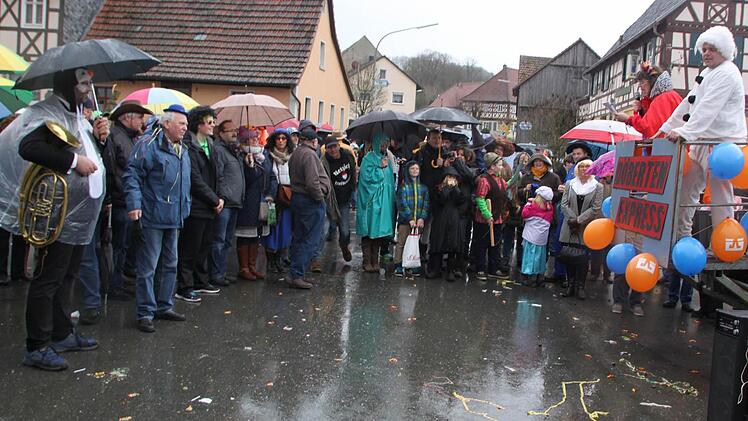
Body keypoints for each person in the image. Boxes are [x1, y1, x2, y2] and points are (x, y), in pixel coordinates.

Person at [660, 25, 747, 243]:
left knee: (720, 194)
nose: (706, 53)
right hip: (701, 140)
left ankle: (725, 239)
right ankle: (682, 235)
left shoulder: (727, 73)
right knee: (687, 188)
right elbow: (688, 104)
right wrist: (666, 128)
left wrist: (683, 131)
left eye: (712, 49)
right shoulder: (707, 73)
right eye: (704, 48)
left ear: (724, 51)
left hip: (723, 145)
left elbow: (708, 108)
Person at [125, 104, 191, 333]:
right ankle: (145, 311)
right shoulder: (148, 145)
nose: (185, 128)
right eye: (181, 123)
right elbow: (132, 175)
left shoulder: (182, 148)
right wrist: (134, 205)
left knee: (170, 264)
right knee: (148, 266)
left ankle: (164, 305)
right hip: (152, 214)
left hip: (174, 216)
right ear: (166, 123)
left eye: (186, 124)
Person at [175, 106, 223, 303]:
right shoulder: (189, 146)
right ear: (199, 124)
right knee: (190, 247)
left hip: (211, 205)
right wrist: (214, 199)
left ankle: (200, 281)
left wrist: (219, 198)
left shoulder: (211, 144)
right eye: (209, 122)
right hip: (197, 204)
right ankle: (185, 286)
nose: (213, 126)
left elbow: (216, 174)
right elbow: (194, 178)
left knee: (204, 245)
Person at [105, 100, 152, 301]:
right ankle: (113, 285)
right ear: (127, 118)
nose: (143, 120)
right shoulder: (115, 137)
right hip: (120, 200)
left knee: (127, 244)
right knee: (119, 246)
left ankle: (122, 278)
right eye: (139, 116)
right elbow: (112, 170)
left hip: (130, 200)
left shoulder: (132, 137)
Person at [288, 128, 330, 288]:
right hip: (310, 200)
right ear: (314, 141)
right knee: (310, 239)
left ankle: (295, 273)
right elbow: (312, 182)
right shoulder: (310, 155)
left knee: (299, 237)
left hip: (299, 198)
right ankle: (297, 275)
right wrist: (320, 198)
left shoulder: (297, 153)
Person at [235, 127, 277, 280]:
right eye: (251, 139)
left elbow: (272, 176)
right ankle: (244, 267)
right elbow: (249, 179)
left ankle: (252, 266)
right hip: (249, 202)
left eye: (255, 138)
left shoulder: (263, 155)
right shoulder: (242, 157)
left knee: (257, 235)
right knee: (246, 235)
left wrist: (271, 194)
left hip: (263, 200)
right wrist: (250, 166)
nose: (255, 141)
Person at [559, 159, 603, 300]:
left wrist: (578, 220)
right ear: (577, 169)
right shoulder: (569, 184)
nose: (584, 169)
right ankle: (570, 285)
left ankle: (580, 286)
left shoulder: (598, 186)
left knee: (583, 258)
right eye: (581, 166)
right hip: (569, 226)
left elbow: (596, 208)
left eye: (587, 166)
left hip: (586, 227)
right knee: (568, 256)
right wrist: (572, 220)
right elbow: (564, 204)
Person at [210, 120, 245, 285]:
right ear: (221, 133)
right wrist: (222, 196)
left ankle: (221, 272)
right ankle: (215, 274)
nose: (234, 133)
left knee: (227, 241)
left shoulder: (235, 151)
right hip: (225, 203)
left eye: (235, 130)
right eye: (230, 130)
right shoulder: (219, 150)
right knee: (219, 240)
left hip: (235, 202)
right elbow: (219, 176)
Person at [357, 133, 396, 273]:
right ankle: (367, 261)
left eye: (386, 143)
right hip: (371, 201)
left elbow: (390, 181)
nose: (384, 146)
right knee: (369, 230)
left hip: (383, 201)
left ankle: (375, 260)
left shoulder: (387, 159)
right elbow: (366, 178)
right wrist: (379, 168)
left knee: (379, 231)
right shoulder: (368, 158)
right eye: (381, 143)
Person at [614, 62, 682, 138]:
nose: (640, 86)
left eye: (642, 82)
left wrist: (628, 119)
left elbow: (647, 126)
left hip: (665, 147)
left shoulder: (661, 99)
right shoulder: (673, 96)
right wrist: (641, 110)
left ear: (652, 82)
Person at [472, 152, 510, 281]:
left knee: (495, 245)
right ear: (492, 166)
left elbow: (507, 185)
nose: (502, 167)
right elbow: (480, 199)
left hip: (498, 218)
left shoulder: (500, 179)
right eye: (499, 165)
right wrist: (487, 215)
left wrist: (518, 174)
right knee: (482, 245)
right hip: (484, 220)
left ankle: (494, 269)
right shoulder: (484, 180)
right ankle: (480, 269)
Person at [428, 166, 469, 281]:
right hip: (441, 218)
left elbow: (461, 201)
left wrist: (455, 189)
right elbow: (440, 201)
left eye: (453, 177)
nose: (451, 179)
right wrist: (446, 189)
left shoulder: (459, 190)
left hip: (453, 218)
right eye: (449, 177)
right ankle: (436, 269)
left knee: (452, 244)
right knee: (438, 243)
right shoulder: (439, 189)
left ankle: (450, 271)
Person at [321, 136, 357, 262]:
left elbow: (353, 171)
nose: (332, 150)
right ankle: (318, 257)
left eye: (334, 146)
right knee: (330, 224)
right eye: (329, 147)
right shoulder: (324, 161)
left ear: (338, 146)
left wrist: (353, 189)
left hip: (345, 198)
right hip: (331, 199)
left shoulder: (347, 155)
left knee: (345, 230)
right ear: (326, 149)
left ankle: (344, 246)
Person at [263, 129, 294, 272]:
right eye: (278, 138)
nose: (281, 141)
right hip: (272, 198)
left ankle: (279, 260)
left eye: (284, 138)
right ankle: (270, 262)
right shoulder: (267, 156)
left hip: (287, 198)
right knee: (271, 229)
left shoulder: (292, 156)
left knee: (284, 230)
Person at [394, 161, 429, 277]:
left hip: (418, 221)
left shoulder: (423, 188)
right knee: (401, 243)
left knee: (414, 243)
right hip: (405, 222)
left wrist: (422, 218)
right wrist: (409, 218)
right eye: (412, 169)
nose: (414, 171)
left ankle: (412, 264)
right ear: (408, 171)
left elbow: (426, 204)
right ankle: (398, 264)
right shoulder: (403, 187)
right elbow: (402, 204)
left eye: (417, 169)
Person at [521, 186, 554, 286]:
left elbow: (524, 214)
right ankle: (539, 275)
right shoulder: (549, 208)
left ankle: (529, 276)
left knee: (530, 256)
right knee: (540, 257)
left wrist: (528, 203)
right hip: (542, 237)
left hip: (531, 235)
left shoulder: (533, 206)